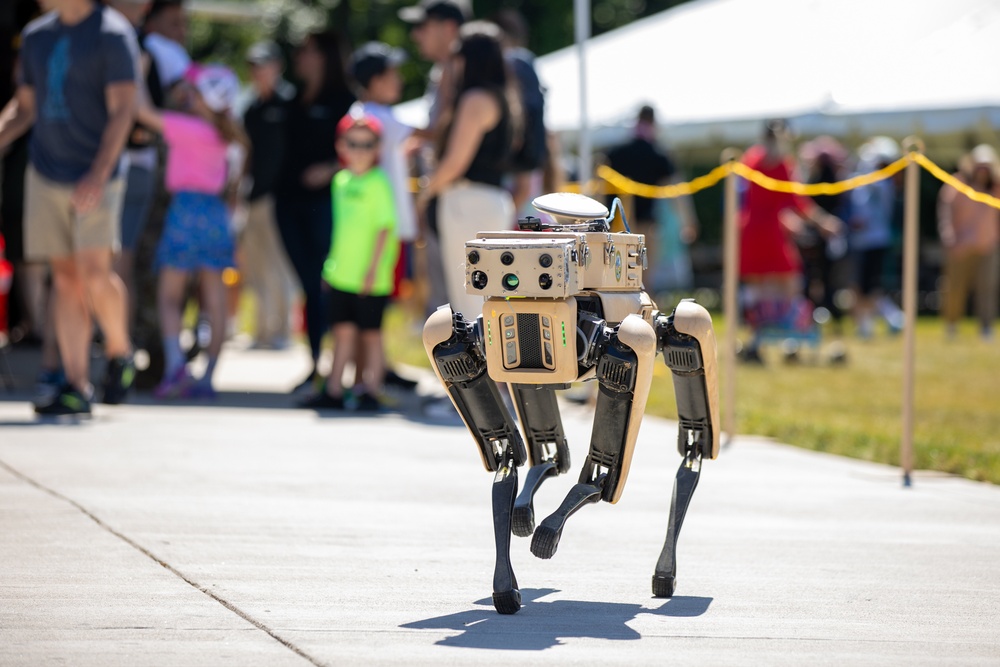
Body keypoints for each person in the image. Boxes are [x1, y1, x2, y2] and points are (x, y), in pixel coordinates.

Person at [0, 0, 138, 416]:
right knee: (64, 278)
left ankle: (119, 349)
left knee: (95, 273)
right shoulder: (37, 36)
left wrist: (98, 173)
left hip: (97, 171)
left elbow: (123, 110)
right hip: (45, 170)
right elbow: (25, 109)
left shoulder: (111, 33)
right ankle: (77, 385)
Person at [135, 63, 247, 398]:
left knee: (169, 296)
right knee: (215, 301)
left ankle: (175, 368)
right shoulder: (231, 136)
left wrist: (137, 72)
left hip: (184, 210)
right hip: (216, 214)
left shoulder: (188, 128)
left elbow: (141, 111)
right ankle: (209, 377)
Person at [415, 20, 516, 321]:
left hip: (468, 202)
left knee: (470, 304)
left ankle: (480, 369)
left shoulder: (476, 99)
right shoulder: (500, 96)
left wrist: (425, 191)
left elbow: (455, 162)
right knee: (485, 299)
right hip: (486, 201)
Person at [273, 30, 355, 393]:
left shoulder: (345, 101)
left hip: (326, 204)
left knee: (325, 283)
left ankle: (335, 366)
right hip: (286, 204)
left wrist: (331, 168)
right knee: (308, 284)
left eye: (306, 50)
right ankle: (315, 363)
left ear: (324, 55)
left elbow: (365, 151)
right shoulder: (291, 100)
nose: (299, 57)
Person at [302, 111, 398, 411]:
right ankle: (333, 389)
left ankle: (371, 389)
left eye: (367, 144)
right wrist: (330, 266)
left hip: (372, 276)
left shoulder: (379, 182)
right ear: (341, 146)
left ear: (377, 148)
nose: (359, 151)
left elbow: (384, 229)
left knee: (371, 335)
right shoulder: (340, 181)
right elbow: (341, 230)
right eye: (353, 143)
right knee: (341, 333)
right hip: (341, 272)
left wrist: (373, 268)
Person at [347, 41, 420, 391]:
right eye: (391, 73)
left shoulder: (364, 114)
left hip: (377, 225)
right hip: (384, 226)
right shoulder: (377, 117)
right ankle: (370, 375)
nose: (399, 80)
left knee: (377, 301)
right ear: (375, 80)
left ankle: (374, 368)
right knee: (374, 301)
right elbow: (428, 133)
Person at [738, 119, 841, 361]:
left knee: (759, 290)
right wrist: (824, 222)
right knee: (790, 286)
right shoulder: (782, 164)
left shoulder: (751, 159)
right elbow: (797, 201)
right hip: (770, 233)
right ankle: (791, 343)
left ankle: (756, 343)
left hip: (751, 230)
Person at [399, 0, 469, 318]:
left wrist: (397, 130)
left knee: (462, 297)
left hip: (458, 194)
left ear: (449, 28)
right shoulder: (443, 70)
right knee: (445, 293)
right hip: (443, 193)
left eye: (423, 27)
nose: (416, 35)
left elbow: (450, 135)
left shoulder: (463, 69)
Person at [106, 0, 159, 336]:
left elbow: (139, 111)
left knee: (117, 263)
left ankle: (119, 351)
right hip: (110, 166)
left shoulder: (140, 47)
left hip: (127, 168)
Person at [240, 40, 297, 350]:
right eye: (254, 65)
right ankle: (261, 331)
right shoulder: (251, 108)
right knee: (257, 267)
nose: (258, 71)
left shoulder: (289, 103)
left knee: (279, 266)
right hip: (255, 196)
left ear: (278, 65)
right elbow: (248, 152)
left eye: (263, 64)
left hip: (281, 197)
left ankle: (280, 332)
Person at [605, 105, 697, 292]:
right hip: (647, 227)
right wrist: (688, 222)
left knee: (616, 279)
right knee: (645, 281)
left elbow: (599, 189)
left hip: (617, 227)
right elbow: (676, 192)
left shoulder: (615, 153)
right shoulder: (659, 154)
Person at [937, 144, 1000, 340]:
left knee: (987, 288)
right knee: (954, 288)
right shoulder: (958, 183)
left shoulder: (996, 186)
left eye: (986, 166)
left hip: (987, 245)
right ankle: (951, 325)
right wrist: (948, 234)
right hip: (960, 246)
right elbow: (945, 210)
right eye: (979, 166)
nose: (982, 170)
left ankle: (986, 327)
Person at [848, 137, 905, 339]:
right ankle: (878, 321)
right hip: (866, 241)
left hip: (873, 240)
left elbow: (863, 213)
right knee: (865, 286)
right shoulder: (874, 183)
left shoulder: (878, 184)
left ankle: (882, 321)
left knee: (868, 286)